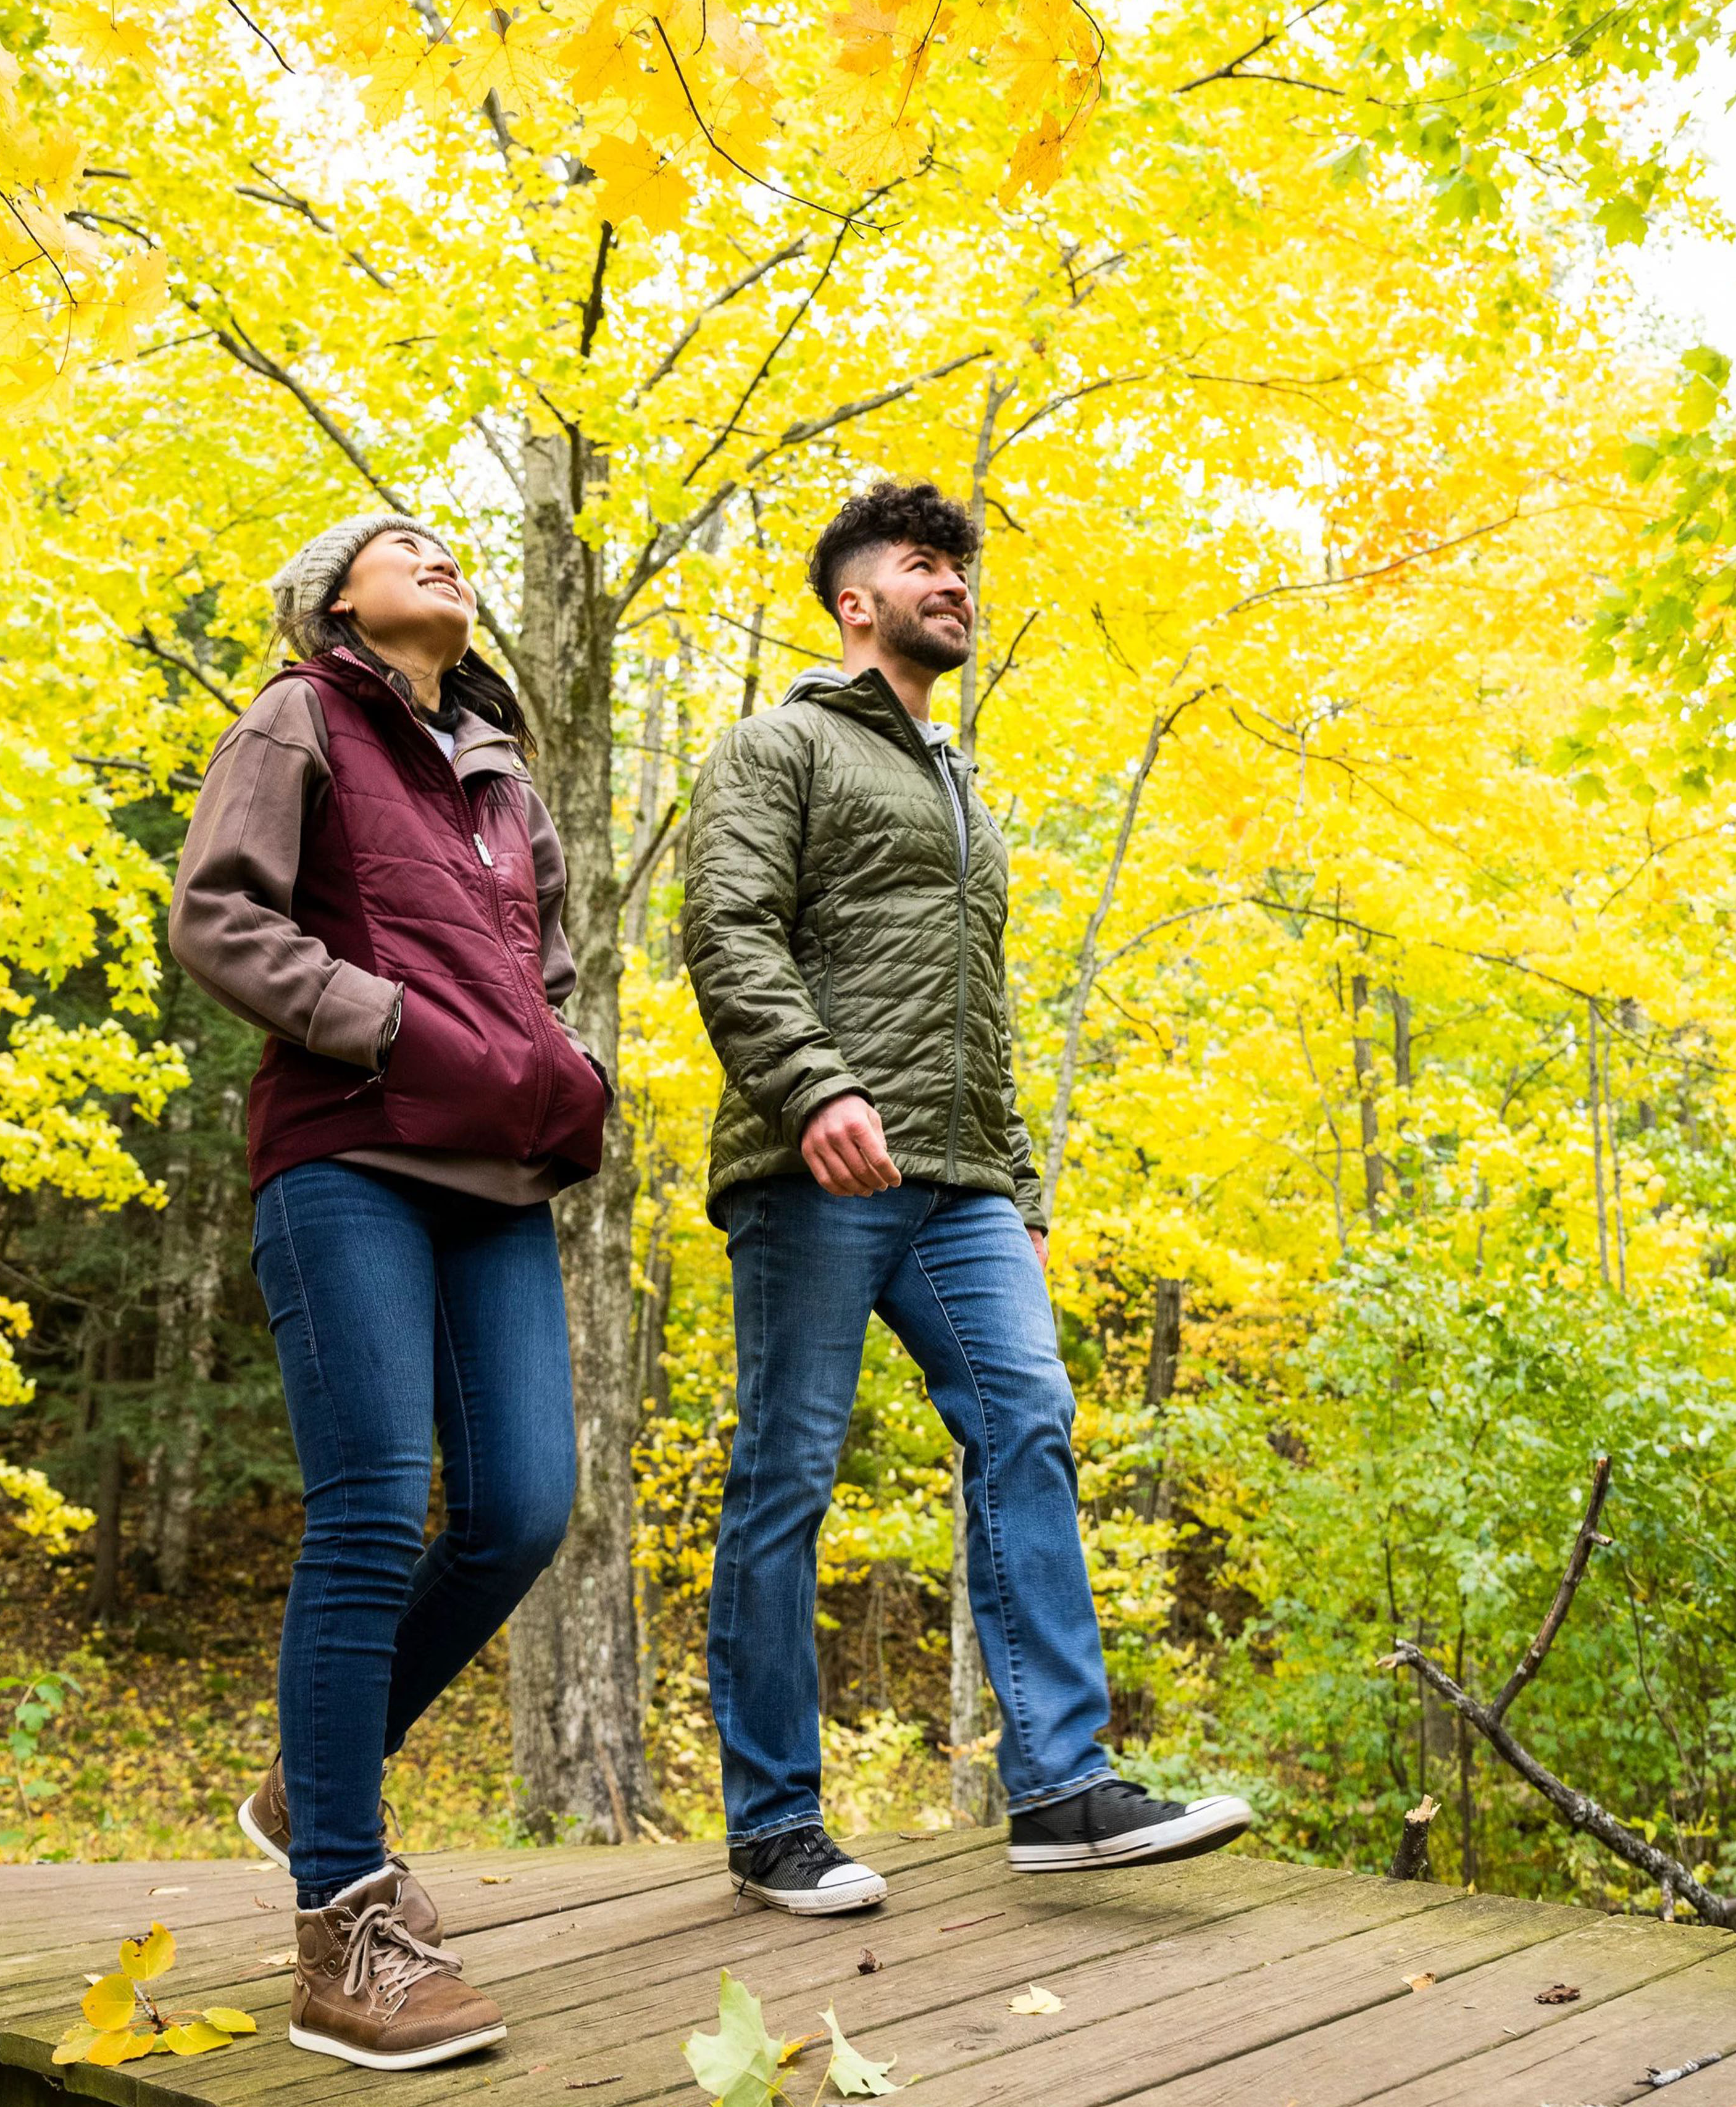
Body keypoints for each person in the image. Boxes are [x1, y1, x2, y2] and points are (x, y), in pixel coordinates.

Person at [680, 481, 1254, 1915]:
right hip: (815, 1165)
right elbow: (727, 928)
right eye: (923, 566)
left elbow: (977, 1009)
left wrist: (1023, 1185)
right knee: (787, 1481)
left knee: (1029, 1422)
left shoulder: (958, 788)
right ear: (852, 600)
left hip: (962, 1187)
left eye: (963, 570)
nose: (955, 587)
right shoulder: (779, 746)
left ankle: (1061, 1786)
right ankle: (773, 1824)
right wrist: (814, 1091)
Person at [168, 514, 609, 2067]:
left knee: (523, 1511)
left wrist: (556, 1062)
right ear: (332, 602)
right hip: (346, 1148)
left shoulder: (501, 779)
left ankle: (315, 1769)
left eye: (446, 545)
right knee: (369, 1504)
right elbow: (219, 915)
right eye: (397, 543)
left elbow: (542, 964)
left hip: (493, 1169)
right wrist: (382, 1023)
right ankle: (342, 1919)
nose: (440, 554)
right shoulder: (299, 717)